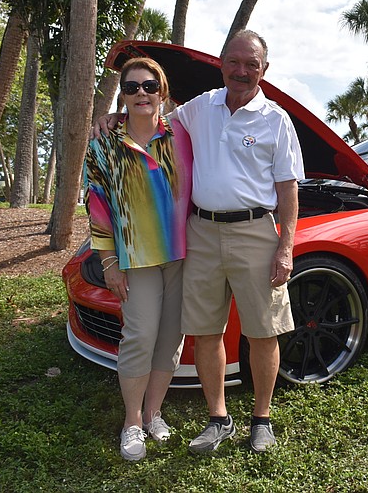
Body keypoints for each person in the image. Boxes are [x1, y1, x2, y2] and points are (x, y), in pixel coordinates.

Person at [96, 30, 304, 454]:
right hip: (201, 234)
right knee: (207, 332)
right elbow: (150, 117)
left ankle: (261, 420)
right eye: (234, 61)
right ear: (222, 63)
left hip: (255, 232)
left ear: (264, 69)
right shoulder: (200, 107)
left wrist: (286, 247)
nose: (241, 71)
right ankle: (218, 418)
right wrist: (116, 117)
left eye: (252, 64)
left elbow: (288, 190)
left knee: (263, 332)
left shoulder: (276, 119)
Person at [85, 57, 192, 461]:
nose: (141, 93)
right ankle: (131, 422)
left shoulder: (183, 133)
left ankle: (153, 414)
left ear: (162, 91)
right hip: (136, 257)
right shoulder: (104, 143)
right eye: (131, 88)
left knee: (170, 339)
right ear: (122, 96)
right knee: (140, 335)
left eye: (149, 86)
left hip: (183, 255)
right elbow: (96, 206)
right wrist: (109, 262)